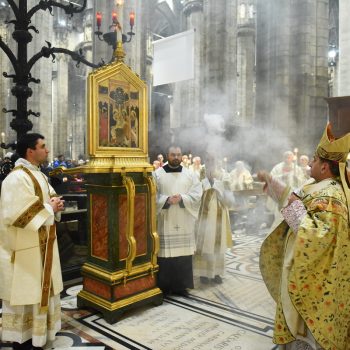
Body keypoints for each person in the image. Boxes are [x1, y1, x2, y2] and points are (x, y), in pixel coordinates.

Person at [258, 124, 350, 350]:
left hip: (316, 279)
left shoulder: (332, 196)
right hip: (304, 269)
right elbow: (298, 200)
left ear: (326, 167)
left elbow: (315, 234)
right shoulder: (319, 186)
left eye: (315, 160)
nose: (310, 163)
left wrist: (282, 194)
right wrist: (276, 189)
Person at [0, 133, 65, 350]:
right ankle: (25, 337)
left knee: (41, 290)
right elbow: (16, 214)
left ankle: (42, 332)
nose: (47, 150)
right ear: (30, 150)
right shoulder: (16, 178)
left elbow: (50, 197)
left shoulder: (39, 175)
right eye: (43, 147)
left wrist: (56, 204)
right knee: (28, 291)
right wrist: (50, 208)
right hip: (26, 249)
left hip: (43, 245)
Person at [154, 145, 202, 296]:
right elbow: (152, 196)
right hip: (165, 218)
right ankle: (165, 286)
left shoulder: (191, 175)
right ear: (167, 155)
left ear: (182, 156)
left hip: (184, 219)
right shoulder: (157, 174)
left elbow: (197, 194)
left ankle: (181, 286)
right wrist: (166, 200)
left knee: (183, 255)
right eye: (173, 155)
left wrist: (182, 198)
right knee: (165, 254)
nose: (176, 157)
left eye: (178, 155)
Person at [194, 156, 234, 284]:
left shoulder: (224, 175)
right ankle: (203, 273)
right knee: (204, 242)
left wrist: (213, 183)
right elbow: (195, 192)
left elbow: (229, 196)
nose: (211, 162)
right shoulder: (199, 174)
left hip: (219, 213)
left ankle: (216, 273)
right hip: (203, 215)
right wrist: (206, 182)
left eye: (213, 160)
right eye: (209, 160)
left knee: (218, 243)